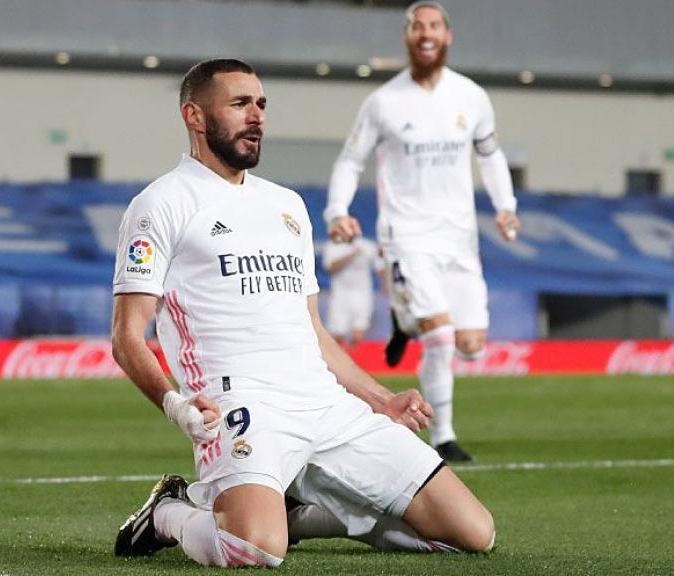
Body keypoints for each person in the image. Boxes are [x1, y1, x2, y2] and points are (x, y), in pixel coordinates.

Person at [110, 58, 494, 569]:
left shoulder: (287, 205)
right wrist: (176, 406)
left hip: (324, 403)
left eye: (261, 104)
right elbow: (127, 336)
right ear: (195, 116)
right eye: (240, 104)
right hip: (242, 404)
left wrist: (381, 400)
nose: (257, 116)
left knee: (472, 533)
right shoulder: (161, 203)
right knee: (252, 547)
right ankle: (168, 513)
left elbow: (314, 330)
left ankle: (295, 518)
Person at [324, 1, 520, 462]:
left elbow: (490, 155)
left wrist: (506, 207)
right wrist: (336, 211)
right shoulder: (384, 102)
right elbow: (351, 160)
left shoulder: (471, 96)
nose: (426, 33)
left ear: (447, 35)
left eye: (434, 26)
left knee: (470, 346)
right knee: (441, 337)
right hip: (407, 235)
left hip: (459, 237)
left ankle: (405, 317)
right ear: (407, 36)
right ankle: (443, 437)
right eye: (417, 26)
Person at [321, 235, 380, 348]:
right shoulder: (332, 246)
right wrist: (351, 255)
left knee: (358, 335)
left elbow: (380, 266)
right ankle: (338, 359)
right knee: (337, 336)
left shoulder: (368, 246)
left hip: (362, 295)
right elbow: (330, 267)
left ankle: (356, 358)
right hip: (340, 296)